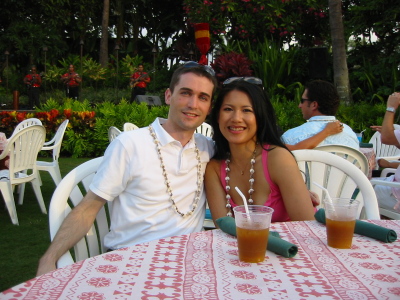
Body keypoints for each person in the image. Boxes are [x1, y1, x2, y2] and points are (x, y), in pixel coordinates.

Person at [36, 62, 218, 276]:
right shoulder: (130, 145)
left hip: (185, 263)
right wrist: (49, 258)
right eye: (185, 93)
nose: (193, 104)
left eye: (202, 97)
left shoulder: (208, 148)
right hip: (130, 263)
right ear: (168, 96)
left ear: (209, 107)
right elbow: (89, 207)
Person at [204, 78, 316, 225]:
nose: (236, 118)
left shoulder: (277, 159)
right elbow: (224, 228)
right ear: (218, 116)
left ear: (260, 117)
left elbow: (306, 227)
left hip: (291, 245)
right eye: (228, 109)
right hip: (244, 246)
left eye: (247, 110)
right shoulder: (215, 169)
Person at [282, 80, 359, 149]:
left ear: (314, 105)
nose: (299, 105)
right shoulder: (350, 134)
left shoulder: (289, 137)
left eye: (302, 101)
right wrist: (326, 131)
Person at [370, 92, 400, 213]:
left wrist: (391, 108)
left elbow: (386, 138)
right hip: (393, 184)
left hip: (395, 194)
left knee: (357, 189)